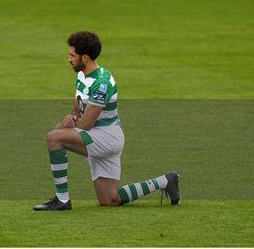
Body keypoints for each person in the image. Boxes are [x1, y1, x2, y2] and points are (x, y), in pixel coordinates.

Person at [33, 31, 180, 210]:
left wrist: (70, 125)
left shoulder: (101, 83)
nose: (69, 59)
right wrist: (70, 117)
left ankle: (62, 200)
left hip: (106, 137)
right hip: (99, 135)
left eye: (72, 55)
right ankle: (165, 181)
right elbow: (78, 111)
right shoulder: (82, 76)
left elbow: (86, 124)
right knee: (109, 200)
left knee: (54, 137)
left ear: (85, 57)